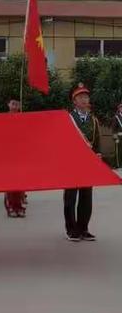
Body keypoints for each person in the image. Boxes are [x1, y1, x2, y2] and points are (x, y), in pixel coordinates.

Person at [64, 83, 100, 242]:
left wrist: (98, 157)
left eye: (86, 97)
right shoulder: (68, 119)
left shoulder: (93, 121)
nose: (85, 99)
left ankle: (83, 228)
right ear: (74, 101)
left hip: (87, 165)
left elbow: (97, 142)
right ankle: (72, 230)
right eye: (81, 97)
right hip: (71, 163)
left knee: (87, 197)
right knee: (70, 198)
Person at [4, 98, 27, 218]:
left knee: (21, 182)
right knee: (10, 183)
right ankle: (11, 207)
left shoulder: (23, 118)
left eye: (17, 104)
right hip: (8, 155)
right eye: (12, 103)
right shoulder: (3, 119)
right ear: (8, 105)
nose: (15, 106)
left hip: (21, 154)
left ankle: (20, 207)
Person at [111, 103, 122, 168]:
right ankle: (118, 165)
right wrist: (115, 138)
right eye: (121, 108)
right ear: (119, 109)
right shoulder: (116, 117)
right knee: (118, 152)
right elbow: (114, 129)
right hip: (119, 137)